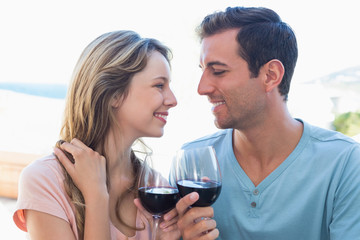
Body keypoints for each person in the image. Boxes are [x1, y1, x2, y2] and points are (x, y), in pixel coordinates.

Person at [167, 6, 360, 240]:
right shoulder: (191, 164)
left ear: (270, 75)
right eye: (203, 70)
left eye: (218, 71)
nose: (202, 88)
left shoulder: (346, 164)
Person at [13, 30, 180, 240]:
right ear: (114, 94)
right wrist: (97, 196)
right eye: (159, 85)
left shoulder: (157, 187)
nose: (173, 100)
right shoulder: (46, 180)